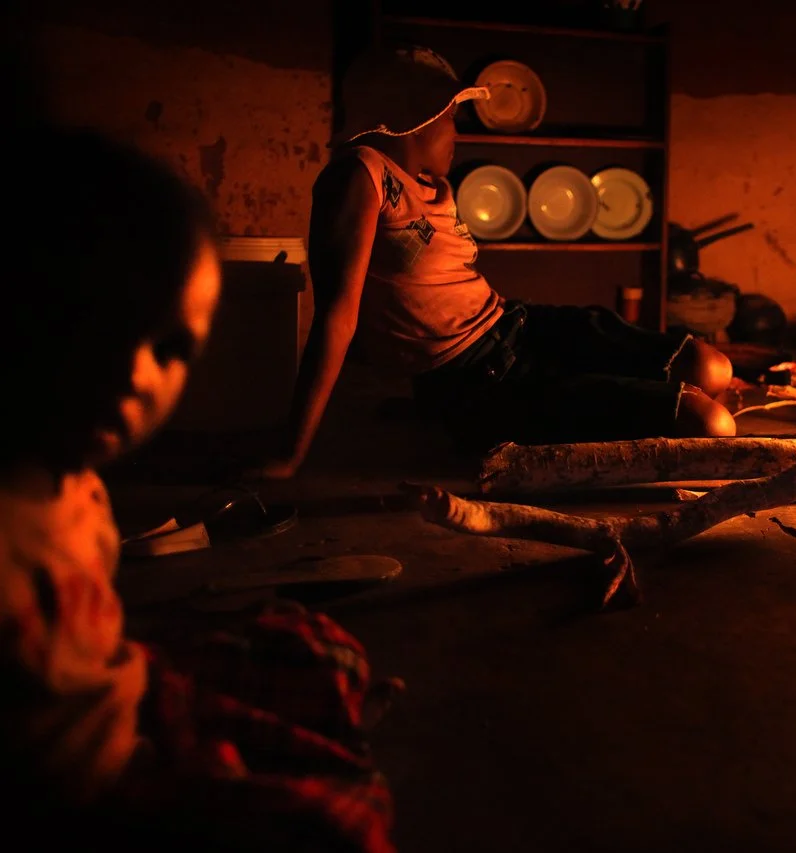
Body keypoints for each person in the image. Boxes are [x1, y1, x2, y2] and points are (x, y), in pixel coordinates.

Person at [0, 127, 396, 851]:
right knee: (341, 824)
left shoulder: (79, 487)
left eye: (172, 347)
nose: (135, 374)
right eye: (94, 328)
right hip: (82, 785)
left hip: (123, 696)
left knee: (312, 645)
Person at [260, 47, 735, 479]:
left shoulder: (432, 185)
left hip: (518, 326)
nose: (457, 130)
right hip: (477, 379)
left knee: (710, 367)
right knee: (711, 424)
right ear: (416, 114)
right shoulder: (361, 173)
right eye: (451, 114)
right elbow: (336, 316)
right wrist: (292, 453)